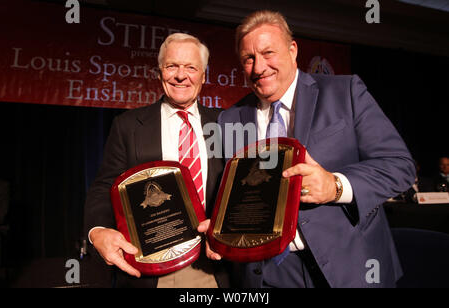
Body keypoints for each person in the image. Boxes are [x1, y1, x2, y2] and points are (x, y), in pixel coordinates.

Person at [209, 10, 415, 288]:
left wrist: (335, 185)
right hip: (267, 275)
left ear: (293, 50)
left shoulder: (346, 92)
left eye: (268, 53)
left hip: (350, 268)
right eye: (249, 58)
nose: (259, 67)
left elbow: (399, 166)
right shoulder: (229, 118)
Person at [84, 33, 227, 288]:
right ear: (159, 72)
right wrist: (96, 232)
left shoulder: (226, 124)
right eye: (172, 66)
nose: (181, 76)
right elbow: (104, 186)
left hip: (214, 269)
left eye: (191, 67)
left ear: (203, 75)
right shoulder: (128, 126)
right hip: (150, 270)